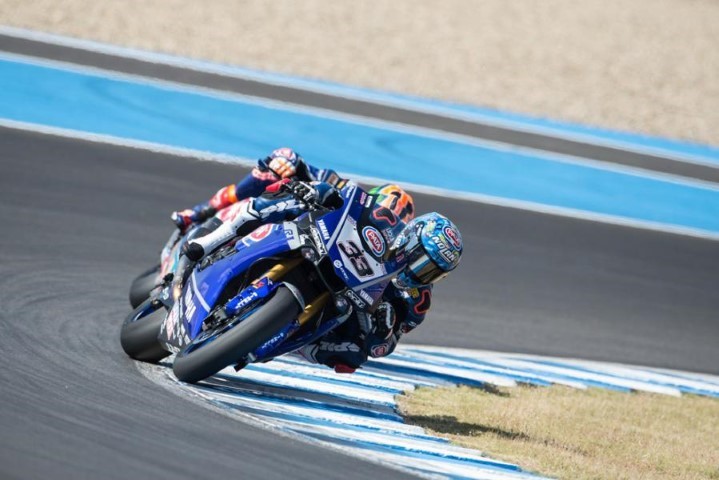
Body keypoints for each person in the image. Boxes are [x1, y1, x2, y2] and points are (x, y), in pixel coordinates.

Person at [171, 147, 344, 232]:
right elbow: (289, 155)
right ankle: (198, 213)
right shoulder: (326, 179)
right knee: (266, 175)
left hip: (301, 232)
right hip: (274, 205)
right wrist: (287, 159)